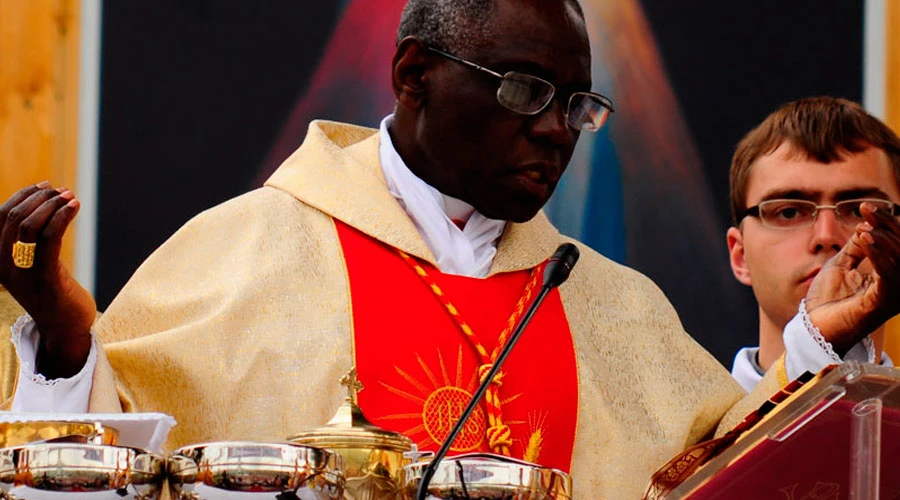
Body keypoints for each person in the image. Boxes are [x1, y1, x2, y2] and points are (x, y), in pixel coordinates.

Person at [1, 2, 899, 497]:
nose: (556, 130)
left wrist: (818, 342)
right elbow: (99, 468)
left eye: (577, 105)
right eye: (524, 90)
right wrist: (68, 346)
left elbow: (719, 474)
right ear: (413, 76)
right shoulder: (245, 252)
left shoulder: (611, 307)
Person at [727, 97, 900, 391]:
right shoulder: (683, 421)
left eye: (859, 210)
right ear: (740, 256)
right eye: (789, 212)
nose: (826, 235)